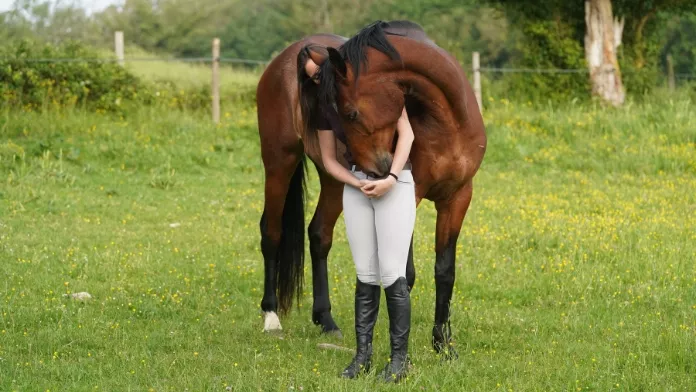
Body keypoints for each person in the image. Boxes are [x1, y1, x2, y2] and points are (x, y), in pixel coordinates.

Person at [297, 44, 416, 383]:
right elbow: (329, 158)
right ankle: (362, 356)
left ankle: (399, 361)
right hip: (357, 187)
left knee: (392, 272)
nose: (318, 82)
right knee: (365, 273)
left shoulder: (375, 89)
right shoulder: (323, 108)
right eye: (311, 80)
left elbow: (406, 133)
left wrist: (391, 177)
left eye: (320, 74)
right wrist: (355, 182)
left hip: (397, 182)